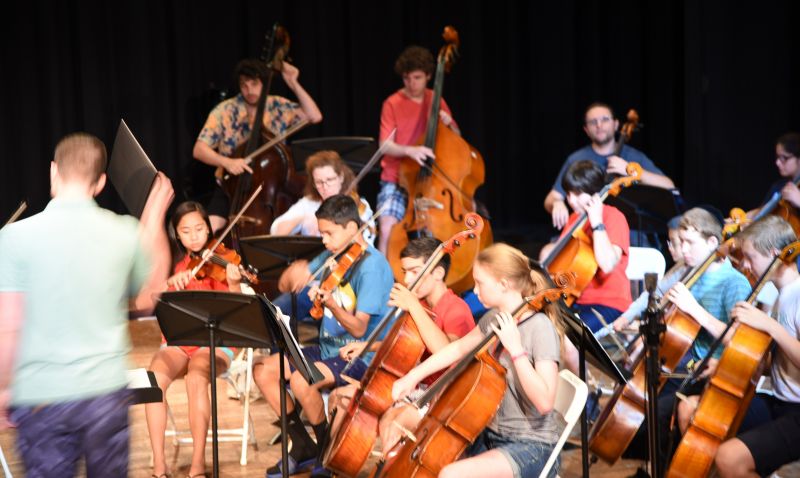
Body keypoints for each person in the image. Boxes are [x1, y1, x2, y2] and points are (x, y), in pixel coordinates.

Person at [0, 133, 173, 477]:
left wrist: (3, 388)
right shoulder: (124, 232)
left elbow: (8, 326)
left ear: (53, 171)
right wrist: (153, 217)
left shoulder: (14, 238)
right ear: (101, 183)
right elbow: (147, 297)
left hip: (41, 396)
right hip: (106, 395)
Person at [252, 194, 394, 477]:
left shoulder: (373, 268)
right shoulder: (334, 255)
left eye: (329, 233)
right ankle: (304, 444)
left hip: (360, 354)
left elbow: (358, 329)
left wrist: (330, 304)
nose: (324, 240)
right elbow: (291, 282)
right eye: (322, 233)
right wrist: (293, 274)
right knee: (263, 370)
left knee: (302, 380)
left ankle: (326, 449)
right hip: (329, 350)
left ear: (352, 229)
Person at [392, 243, 563, 478]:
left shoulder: (540, 327)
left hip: (531, 445)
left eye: (480, 283)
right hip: (488, 433)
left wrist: (516, 350)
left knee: (451, 474)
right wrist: (412, 377)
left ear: (503, 284)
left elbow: (544, 402)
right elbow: (458, 348)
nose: (474, 290)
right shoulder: (494, 318)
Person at [327, 236, 475, 460]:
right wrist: (368, 346)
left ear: (438, 274)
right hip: (414, 388)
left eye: (414, 272)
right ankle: (332, 466)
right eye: (405, 272)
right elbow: (408, 341)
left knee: (392, 422)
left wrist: (413, 306)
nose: (407, 279)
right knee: (339, 397)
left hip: (441, 395)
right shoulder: (422, 304)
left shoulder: (457, 309)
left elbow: (447, 352)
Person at [623, 207, 751, 462]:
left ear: (713, 242)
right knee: (640, 407)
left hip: (717, 370)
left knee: (657, 414)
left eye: (689, 243)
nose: (683, 250)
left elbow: (738, 340)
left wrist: (694, 309)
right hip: (685, 359)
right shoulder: (691, 273)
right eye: (680, 243)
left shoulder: (734, 283)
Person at [692, 215, 800, 478]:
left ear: (775, 254)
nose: (746, 265)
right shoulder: (778, 297)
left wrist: (769, 325)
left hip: (797, 410)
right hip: (778, 401)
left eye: (751, 257)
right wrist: (728, 364)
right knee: (695, 413)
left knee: (730, 459)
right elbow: (778, 364)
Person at [145, 201, 245, 478]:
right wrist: (169, 285)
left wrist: (235, 283)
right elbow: (161, 306)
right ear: (177, 235)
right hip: (182, 339)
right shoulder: (180, 266)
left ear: (208, 228)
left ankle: (198, 465)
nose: (194, 236)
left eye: (199, 229)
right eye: (186, 231)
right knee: (153, 382)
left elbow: (239, 314)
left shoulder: (224, 259)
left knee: (196, 377)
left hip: (217, 340)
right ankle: (159, 466)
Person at [193, 58, 323, 232]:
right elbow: (199, 150)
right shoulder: (225, 110)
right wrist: (228, 162)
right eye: (244, 85)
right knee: (209, 229)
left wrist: (293, 82)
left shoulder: (277, 105)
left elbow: (315, 116)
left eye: (254, 84)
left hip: (273, 187)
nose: (249, 90)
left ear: (264, 83)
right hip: (232, 185)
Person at [376, 45, 460, 254]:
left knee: (436, 230)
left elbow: (457, 140)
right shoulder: (392, 103)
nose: (411, 84)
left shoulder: (436, 99)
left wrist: (450, 124)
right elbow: (385, 145)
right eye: (407, 78)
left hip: (430, 179)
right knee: (387, 228)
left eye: (417, 78)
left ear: (429, 76)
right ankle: (384, 282)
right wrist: (410, 151)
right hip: (396, 178)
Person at [544, 102, 675, 230]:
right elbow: (552, 198)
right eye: (592, 122)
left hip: (631, 230)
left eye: (605, 119)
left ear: (616, 124)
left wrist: (630, 170)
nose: (599, 125)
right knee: (546, 252)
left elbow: (669, 185)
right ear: (586, 130)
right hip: (586, 229)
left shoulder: (634, 157)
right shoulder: (576, 159)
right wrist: (557, 203)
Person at [540, 160, 632, 333]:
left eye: (577, 193)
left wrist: (597, 223)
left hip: (608, 302)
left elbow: (607, 264)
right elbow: (559, 259)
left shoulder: (613, 217)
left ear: (595, 193)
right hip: (573, 299)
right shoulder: (575, 218)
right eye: (568, 194)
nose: (571, 201)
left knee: (568, 336)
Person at [271, 149, 375, 244]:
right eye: (319, 182)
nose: (325, 187)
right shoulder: (309, 203)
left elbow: (367, 242)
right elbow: (275, 232)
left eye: (330, 180)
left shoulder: (358, 205)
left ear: (341, 177)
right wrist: (302, 219)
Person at [747, 132, 800, 220]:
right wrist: (740, 220)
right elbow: (761, 211)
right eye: (777, 157)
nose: (777, 163)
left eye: (784, 158)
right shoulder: (779, 186)